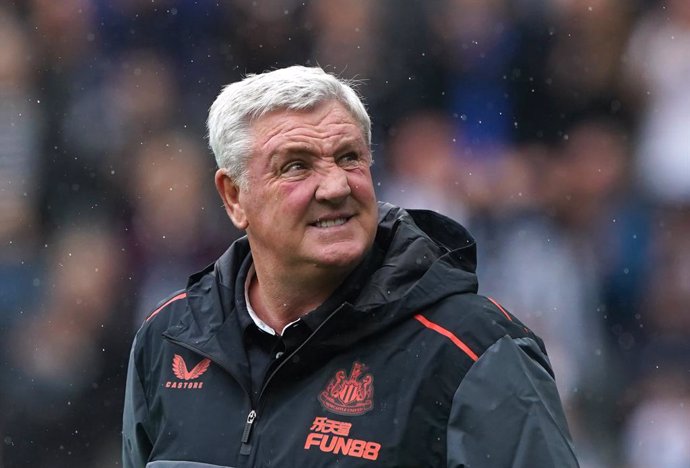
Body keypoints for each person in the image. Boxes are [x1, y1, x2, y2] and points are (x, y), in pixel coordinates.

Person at [122, 65, 579, 467]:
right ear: (234, 197)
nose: (336, 186)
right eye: (297, 166)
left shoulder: (474, 349)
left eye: (349, 158)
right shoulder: (169, 340)